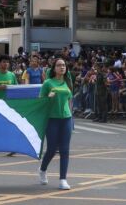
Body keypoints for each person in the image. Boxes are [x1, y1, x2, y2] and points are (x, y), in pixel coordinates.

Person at [38, 58, 73, 190]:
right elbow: (40, 101)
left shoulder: (68, 82)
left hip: (66, 119)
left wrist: (71, 116)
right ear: (54, 69)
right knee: (52, 149)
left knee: (65, 150)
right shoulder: (48, 83)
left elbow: (70, 100)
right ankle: (42, 170)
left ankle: (63, 179)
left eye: (64, 65)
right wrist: (48, 97)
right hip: (52, 119)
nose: (62, 67)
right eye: (59, 65)